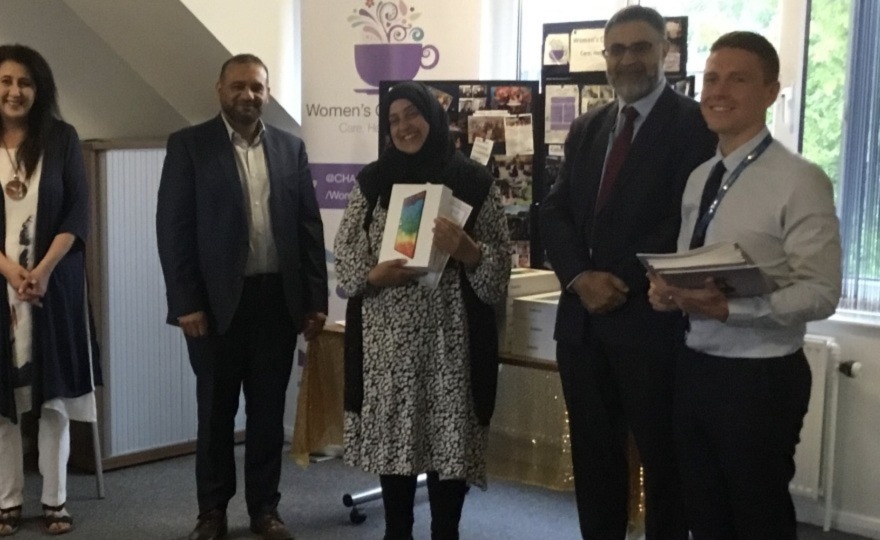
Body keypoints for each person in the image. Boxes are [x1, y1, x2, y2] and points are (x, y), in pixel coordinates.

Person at [648, 32, 842, 537]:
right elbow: (699, 266)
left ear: (771, 91)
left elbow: (821, 291)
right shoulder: (700, 177)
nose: (719, 90)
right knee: (704, 515)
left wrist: (734, 311)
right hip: (693, 367)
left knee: (757, 519)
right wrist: (669, 292)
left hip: (759, 379)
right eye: (711, 78)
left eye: (738, 79)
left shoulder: (801, 179)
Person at [538, 6, 716, 538]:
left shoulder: (696, 127)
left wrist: (620, 282)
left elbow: (686, 223)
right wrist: (579, 279)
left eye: (639, 48)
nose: (626, 60)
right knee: (594, 465)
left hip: (651, 326)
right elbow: (555, 210)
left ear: (665, 51)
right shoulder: (590, 126)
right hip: (584, 328)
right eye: (616, 50)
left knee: (666, 467)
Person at [156, 53, 327, 540]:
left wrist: (315, 299)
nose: (247, 95)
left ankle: (264, 510)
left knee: (268, 413)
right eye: (238, 86)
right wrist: (185, 302)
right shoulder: (189, 146)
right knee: (215, 411)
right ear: (219, 90)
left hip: (276, 301)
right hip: (213, 306)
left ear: (267, 93)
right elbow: (173, 229)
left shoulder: (291, 149)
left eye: (256, 87)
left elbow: (308, 228)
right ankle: (211, 512)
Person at [334, 81, 510, 540]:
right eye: (393, 120)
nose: (403, 126)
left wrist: (469, 251)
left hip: (451, 345)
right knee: (396, 448)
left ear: (433, 117)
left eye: (412, 114)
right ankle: (397, 532)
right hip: (386, 346)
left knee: (448, 447)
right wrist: (373, 275)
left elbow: (496, 281)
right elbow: (345, 258)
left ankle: (446, 532)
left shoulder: (474, 184)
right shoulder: (371, 183)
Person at [0, 44, 100, 536]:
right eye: (6, 81)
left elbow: (78, 214)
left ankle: (55, 501)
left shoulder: (61, 138)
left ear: (40, 89)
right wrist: (12, 273)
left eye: (26, 83)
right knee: (2, 402)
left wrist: (44, 269)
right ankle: (9, 501)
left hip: (53, 286)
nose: (16, 91)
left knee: (53, 398)